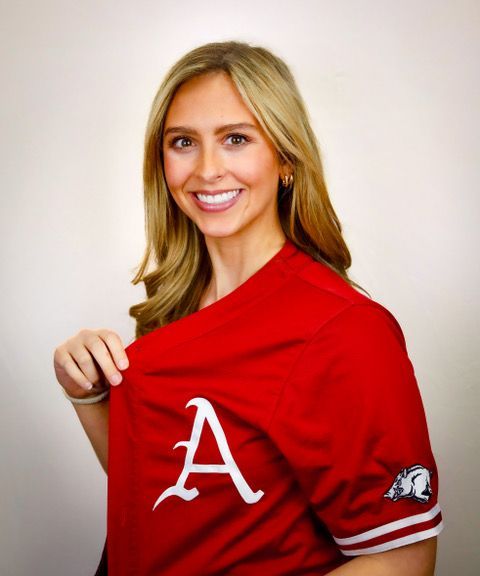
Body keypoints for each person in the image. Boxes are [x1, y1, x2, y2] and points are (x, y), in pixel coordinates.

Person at [53, 40, 443, 575]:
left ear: (284, 157)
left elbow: (402, 559)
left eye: (236, 139)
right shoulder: (173, 310)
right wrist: (90, 396)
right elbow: (165, 491)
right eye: (183, 142)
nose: (208, 169)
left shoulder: (346, 331)